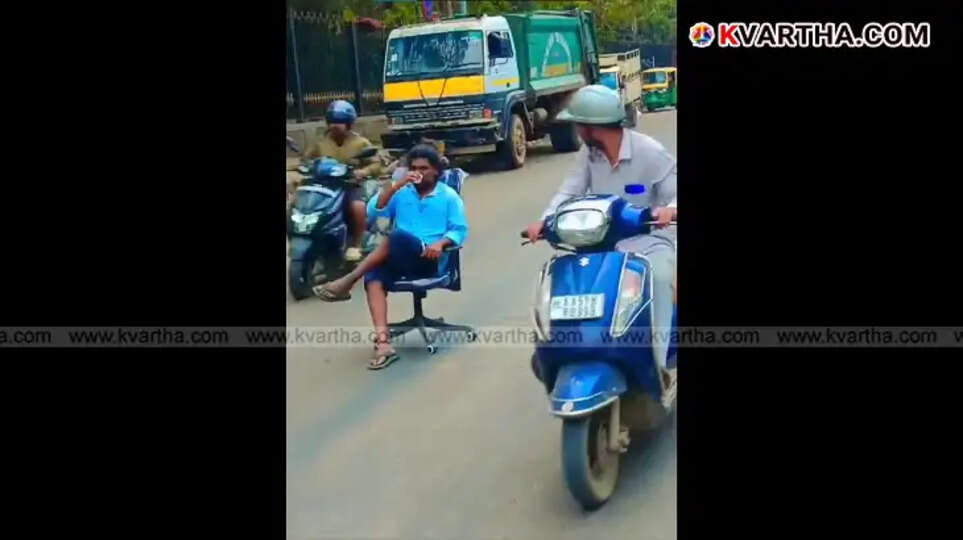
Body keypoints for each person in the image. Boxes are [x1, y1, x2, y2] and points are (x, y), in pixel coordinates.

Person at [523, 84, 678, 387]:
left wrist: (668, 211)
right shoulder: (588, 155)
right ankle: (573, 348)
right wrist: (543, 221)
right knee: (574, 282)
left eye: (579, 123)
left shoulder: (649, 151)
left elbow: (675, 193)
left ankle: (657, 364)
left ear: (592, 126)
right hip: (603, 241)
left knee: (657, 279)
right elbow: (570, 190)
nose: (577, 129)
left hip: (650, 239)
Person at [316, 145, 469, 370]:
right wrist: (397, 185)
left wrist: (441, 243)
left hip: (429, 259)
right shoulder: (402, 192)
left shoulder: (448, 196)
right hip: (400, 256)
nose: (419, 172)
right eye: (414, 168)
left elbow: (459, 230)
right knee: (374, 275)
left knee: (397, 236)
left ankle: (348, 281)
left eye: (424, 168)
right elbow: (373, 211)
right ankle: (384, 345)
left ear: (436, 171)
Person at [302, 100, 383, 262]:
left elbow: (376, 163)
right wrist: (306, 167)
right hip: (325, 186)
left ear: (349, 124)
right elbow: (306, 159)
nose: (335, 125)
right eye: (332, 121)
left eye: (340, 122)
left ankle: (357, 244)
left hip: (350, 185)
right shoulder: (320, 143)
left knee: (357, 206)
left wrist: (363, 171)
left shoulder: (361, 143)